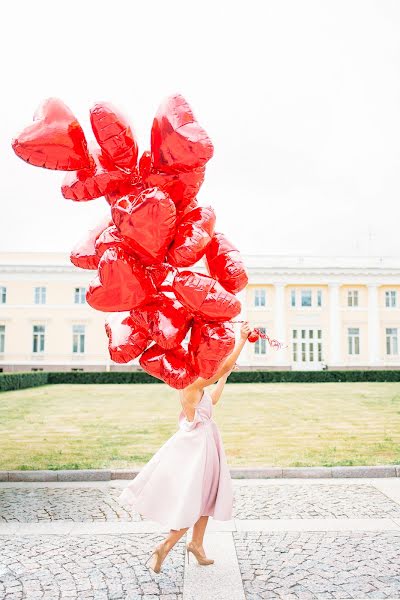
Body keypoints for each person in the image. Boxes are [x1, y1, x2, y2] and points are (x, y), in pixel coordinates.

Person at [118, 321, 251, 573]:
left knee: (207, 497)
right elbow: (219, 366)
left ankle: (197, 544)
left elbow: (212, 399)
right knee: (194, 499)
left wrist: (225, 376)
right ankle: (166, 545)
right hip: (199, 448)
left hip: (206, 444)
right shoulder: (189, 384)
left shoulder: (194, 387)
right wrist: (240, 341)